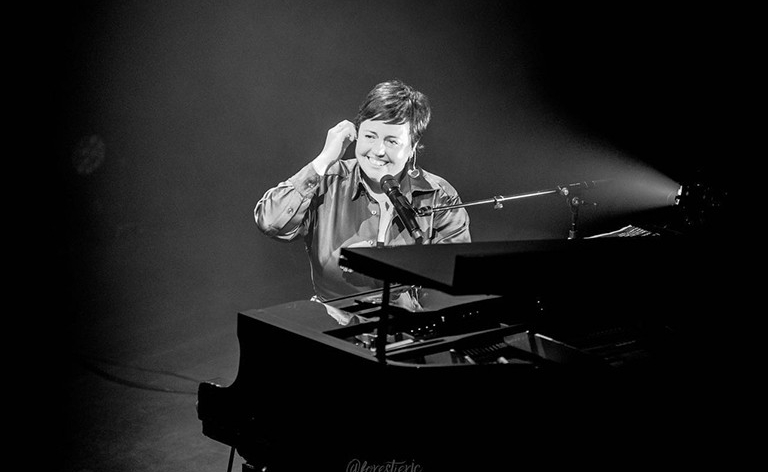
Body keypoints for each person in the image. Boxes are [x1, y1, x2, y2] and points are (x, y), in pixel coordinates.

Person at [255, 80, 471, 302]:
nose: (377, 150)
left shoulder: (437, 194)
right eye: (370, 136)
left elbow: (453, 280)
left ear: (412, 148)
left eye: (392, 141)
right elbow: (270, 223)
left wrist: (390, 268)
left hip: (410, 330)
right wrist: (324, 159)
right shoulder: (328, 179)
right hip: (333, 325)